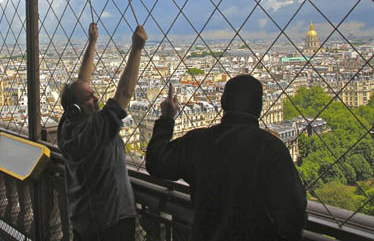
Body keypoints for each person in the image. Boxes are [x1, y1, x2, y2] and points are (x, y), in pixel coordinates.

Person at [146, 75, 307, 241]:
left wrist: (166, 119)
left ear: (223, 102)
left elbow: (156, 162)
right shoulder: (273, 149)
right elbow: (294, 210)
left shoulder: (198, 141)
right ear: (259, 108)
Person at [57, 22, 147, 241]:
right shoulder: (95, 129)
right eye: (90, 97)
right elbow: (124, 92)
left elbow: (81, 83)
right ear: (77, 107)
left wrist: (92, 43)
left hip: (83, 219)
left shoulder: (67, 125)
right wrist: (136, 49)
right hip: (111, 219)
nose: (96, 97)